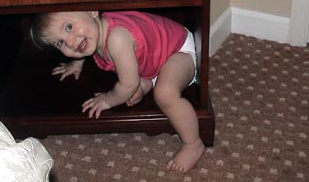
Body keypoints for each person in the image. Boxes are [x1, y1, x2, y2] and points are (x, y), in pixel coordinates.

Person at [30, 10, 205, 173]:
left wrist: (107, 100)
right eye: (60, 42)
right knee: (134, 89)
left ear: (91, 12)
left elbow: (127, 85)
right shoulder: (92, 31)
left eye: (68, 27)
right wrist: (76, 63)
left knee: (164, 94)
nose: (69, 42)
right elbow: (82, 47)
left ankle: (193, 144)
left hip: (178, 50)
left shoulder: (117, 38)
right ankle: (149, 82)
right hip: (152, 60)